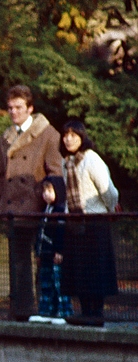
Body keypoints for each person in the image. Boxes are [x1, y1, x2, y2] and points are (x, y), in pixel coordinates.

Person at [0, 85, 64, 320]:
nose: (13, 112)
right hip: (14, 211)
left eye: (19, 107)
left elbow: (55, 173)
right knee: (18, 263)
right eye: (10, 108)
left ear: (30, 109)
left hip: (37, 209)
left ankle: (43, 311)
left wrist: (47, 198)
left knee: (42, 260)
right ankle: (21, 311)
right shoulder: (6, 137)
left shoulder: (48, 135)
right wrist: (2, 202)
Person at [60, 119, 119, 327]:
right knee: (81, 269)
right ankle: (85, 313)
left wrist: (108, 210)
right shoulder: (65, 162)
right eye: (65, 135)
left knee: (96, 269)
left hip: (95, 222)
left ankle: (96, 313)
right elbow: (67, 194)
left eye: (73, 135)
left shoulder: (91, 159)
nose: (68, 139)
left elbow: (108, 191)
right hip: (76, 222)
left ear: (82, 137)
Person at [28, 177, 73, 324]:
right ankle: (46, 311)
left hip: (55, 254)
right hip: (45, 254)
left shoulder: (60, 211)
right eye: (44, 190)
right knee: (46, 284)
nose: (46, 194)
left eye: (49, 190)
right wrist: (38, 252)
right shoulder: (44, 210)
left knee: (58, 284)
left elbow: (61, 233)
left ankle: (63, 312)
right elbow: (40, 234)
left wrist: (59, 251)